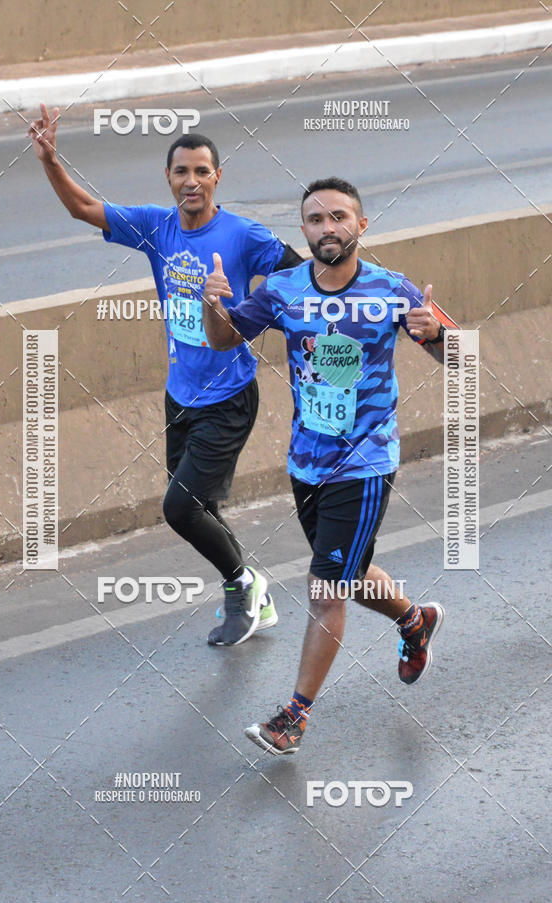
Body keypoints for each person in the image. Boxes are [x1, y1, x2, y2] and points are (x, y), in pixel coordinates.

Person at [28, 103, 303, 646]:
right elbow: (83, 207)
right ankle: (254, 594)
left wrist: (256, 312)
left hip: (229, 396)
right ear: (170, 178)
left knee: (179, 508)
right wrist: (50, 161)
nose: (192, 180)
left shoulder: (244, 235)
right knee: (198, 506)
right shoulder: (157, 227)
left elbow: (300, 273)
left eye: (203, 171)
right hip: (179, 396)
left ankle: (242, 588)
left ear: (217, 177)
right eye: (183, 171)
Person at [202, 177, 448, 755]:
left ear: (361, 226)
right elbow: (222, 340)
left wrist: (437, 335)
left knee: (326, 586)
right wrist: (212, 303)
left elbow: (459, 354)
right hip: (306, 462)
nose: (327, 227)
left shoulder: (391, 289)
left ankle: (294, 716)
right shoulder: (284, 288)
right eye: (315, 220)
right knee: (350, 572)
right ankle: (415, 621)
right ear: (305, 231)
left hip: (364, 465)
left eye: (339, 217)